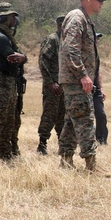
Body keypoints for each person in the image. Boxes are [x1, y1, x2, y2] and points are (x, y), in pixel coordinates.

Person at [59, 0, 104, 171]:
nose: (102, 3)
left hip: (76, 80)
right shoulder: (77, 18)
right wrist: (83, 75)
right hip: (76, 80)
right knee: (85, 120)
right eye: (99, 0)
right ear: (87, 0)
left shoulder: (84, 19)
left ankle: (65, 162)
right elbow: (71, 49)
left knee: (72, 121)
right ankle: (91, 166)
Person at [0, 3, 27, 161]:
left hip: (8, 81)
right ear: (2, 18)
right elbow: (14, 57)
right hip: (1, 81)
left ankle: (5, 155)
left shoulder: (5, 35)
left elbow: (20, 56)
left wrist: (23, 57)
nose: (14, 20)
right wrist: (22, 58)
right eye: (11, 17)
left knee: (9, 120)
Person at [36, 15, 65, 155]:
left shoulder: (67, 40)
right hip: (53, 86)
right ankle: (42, 144)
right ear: (60, 24)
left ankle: (63, 144)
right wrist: (50, 82)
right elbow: (43, 60)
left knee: (63, 116)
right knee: (49, 115)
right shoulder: (53, 39)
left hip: (64, 85)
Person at [93, 33, 108, 145]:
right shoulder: (80, 52)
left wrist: (101, 88)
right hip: (83, 89)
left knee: (101, 115)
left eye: (98, 39)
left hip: (95, 89)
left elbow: (98, 73)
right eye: (95, 38)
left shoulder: (96, 54)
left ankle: (101, 139)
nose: (97, 41)